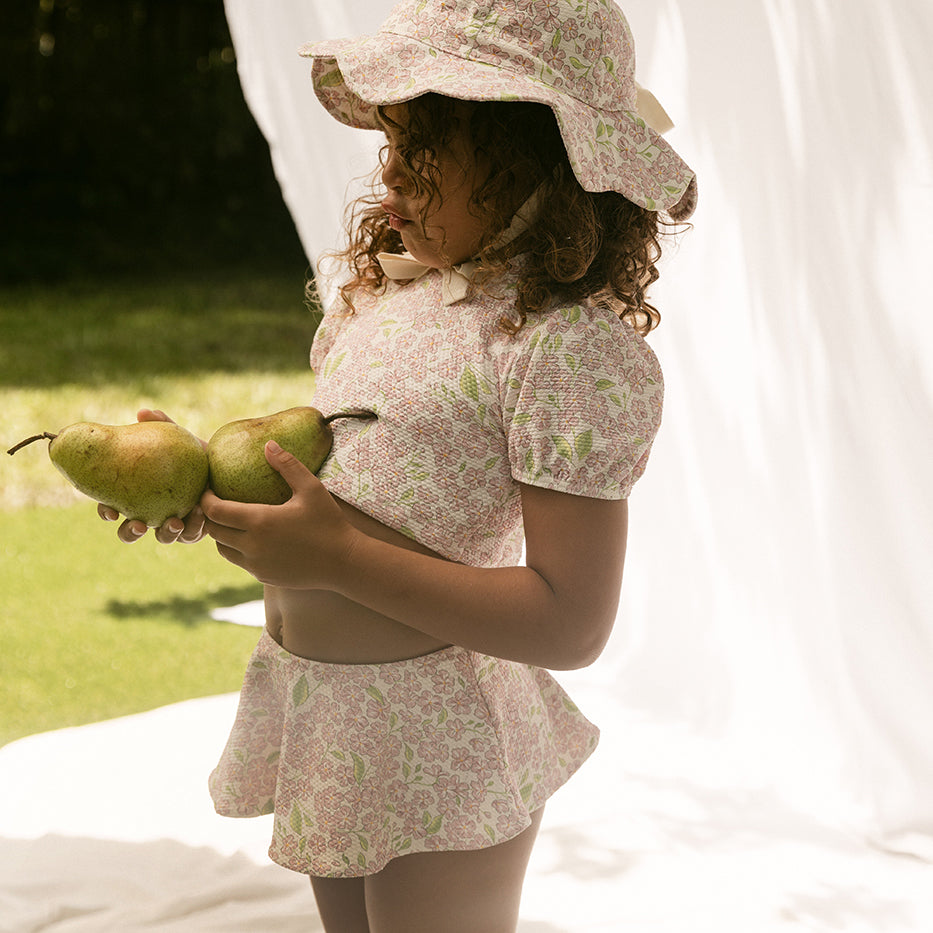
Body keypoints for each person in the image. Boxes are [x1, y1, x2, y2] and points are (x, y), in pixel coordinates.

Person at [101, 1, 696, 930]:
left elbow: (571, 621)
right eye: (395, 143)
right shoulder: (383, 297)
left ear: (533, 164)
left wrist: (335, 557)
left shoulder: (559, 349)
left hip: (440, 728)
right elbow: (347, 485)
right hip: (327, 711)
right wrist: (198, 486)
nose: (391, 173)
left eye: (426, 152)